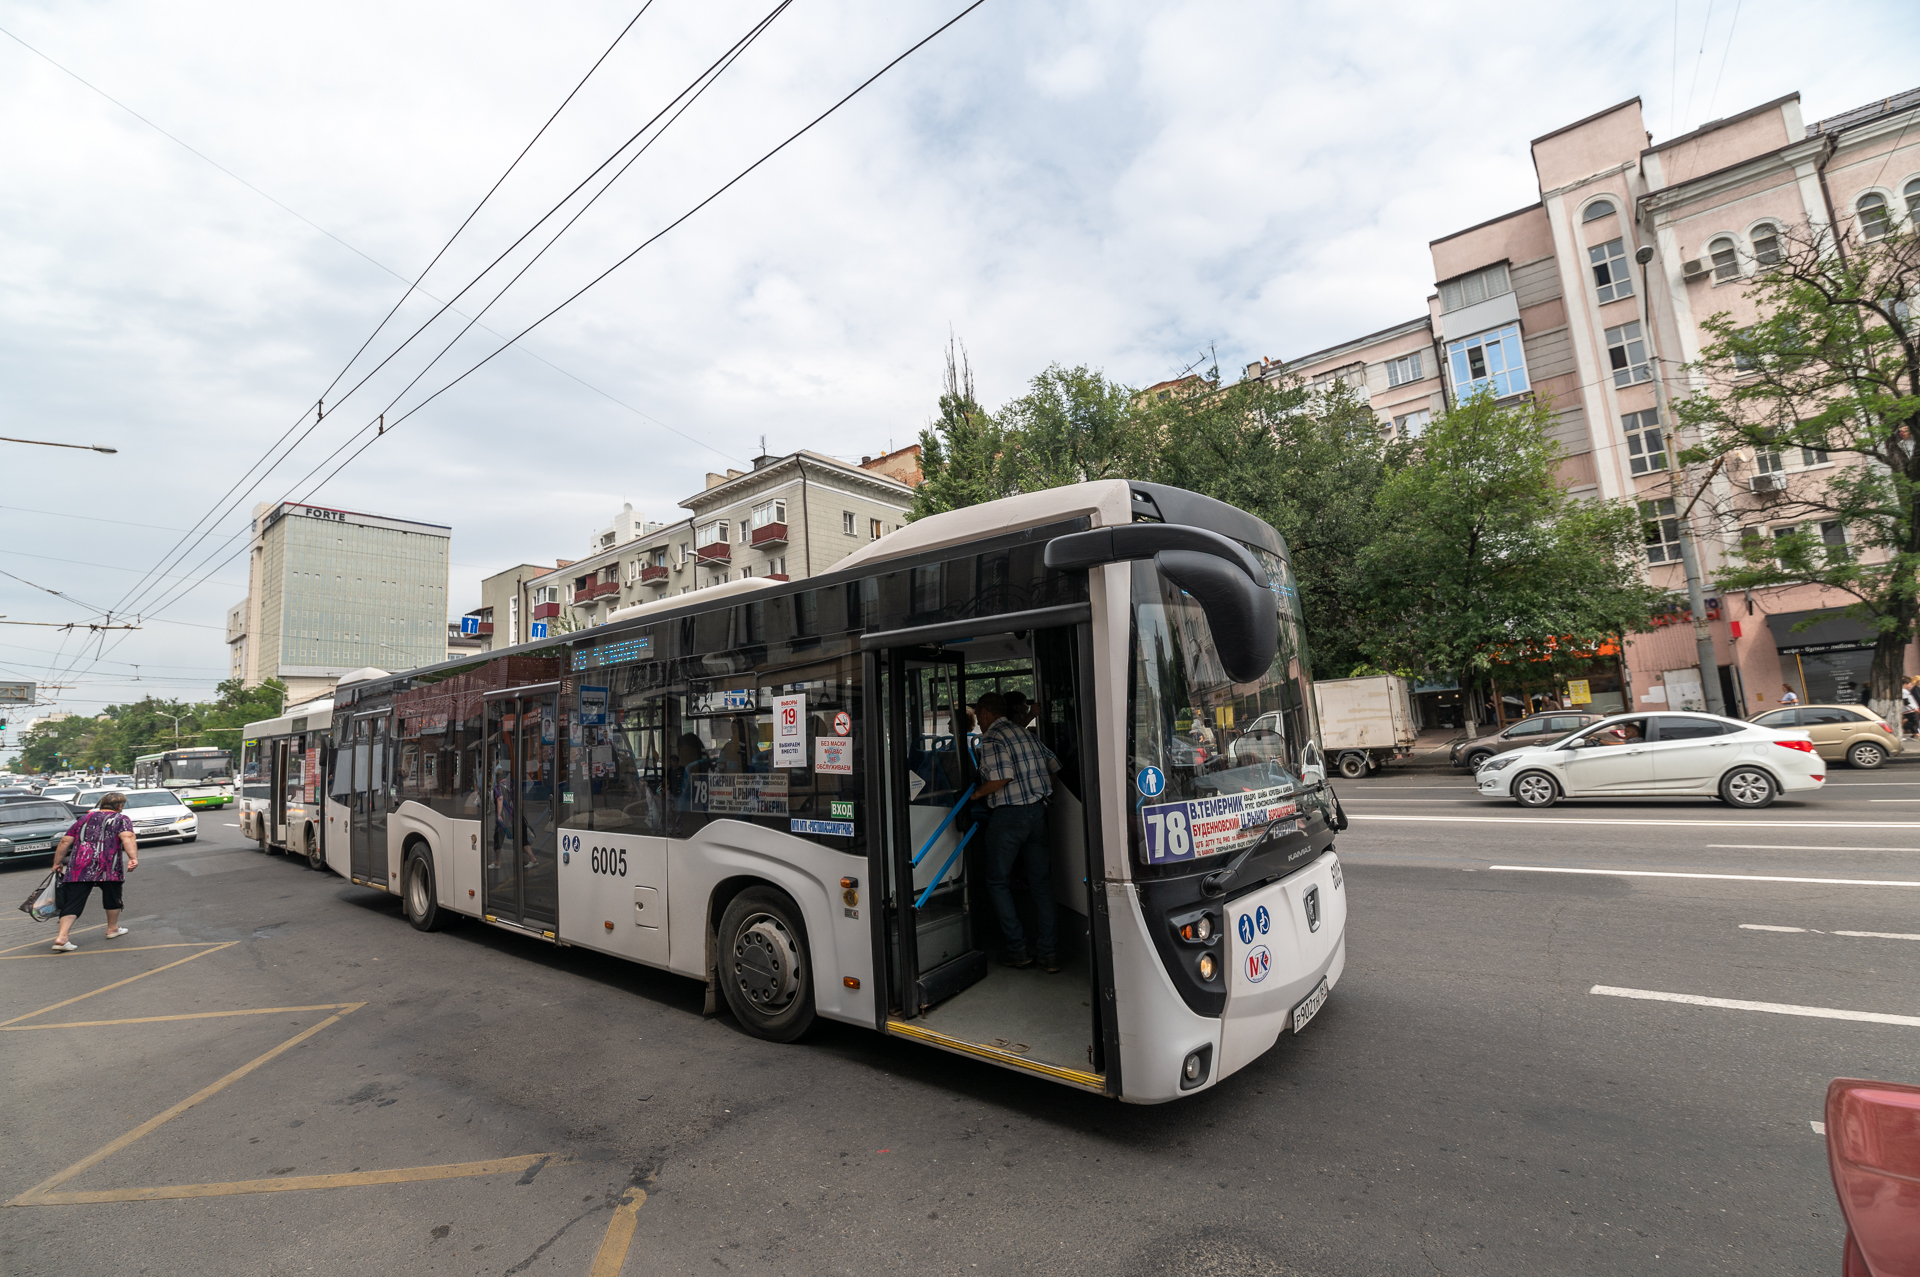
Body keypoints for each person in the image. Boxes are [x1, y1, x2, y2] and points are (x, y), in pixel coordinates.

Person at [972, 691, 1062, 972]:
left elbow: (1002, 777)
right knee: (1042, 884)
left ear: (986, 712)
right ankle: (1049, 954)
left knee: (997, 882)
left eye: (978, 717)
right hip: (1038, 812)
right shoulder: (1024, 733)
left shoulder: (992, 738)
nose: (979, 723)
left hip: (1009, 816)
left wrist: (977, 794)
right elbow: (1054, 765)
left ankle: (1018, 949)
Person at [48, 791, 138, 952]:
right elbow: (128, 837)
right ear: (120, 806)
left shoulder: (83, 819)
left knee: (73, 901)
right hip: (108, 867)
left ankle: (62, 937)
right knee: (112, 896)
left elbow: (65, 841)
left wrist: (57, 862)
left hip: (79, 867)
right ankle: (112, 928)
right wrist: (133, 858)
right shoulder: (121, 819)